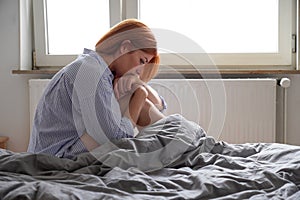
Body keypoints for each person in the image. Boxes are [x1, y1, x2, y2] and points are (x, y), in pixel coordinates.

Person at [27, 19, 166, 158]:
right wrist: (140, 94)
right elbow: (115, 139)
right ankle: (177, 148)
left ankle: (175, 148)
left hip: (67, 150)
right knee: (133, 101)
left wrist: (139, 85)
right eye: (142, 61)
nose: (140, 72)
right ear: (125, 48)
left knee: (136, 101)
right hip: (57, 157)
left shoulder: (101, 70)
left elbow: (158, 105)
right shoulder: (90, 71)